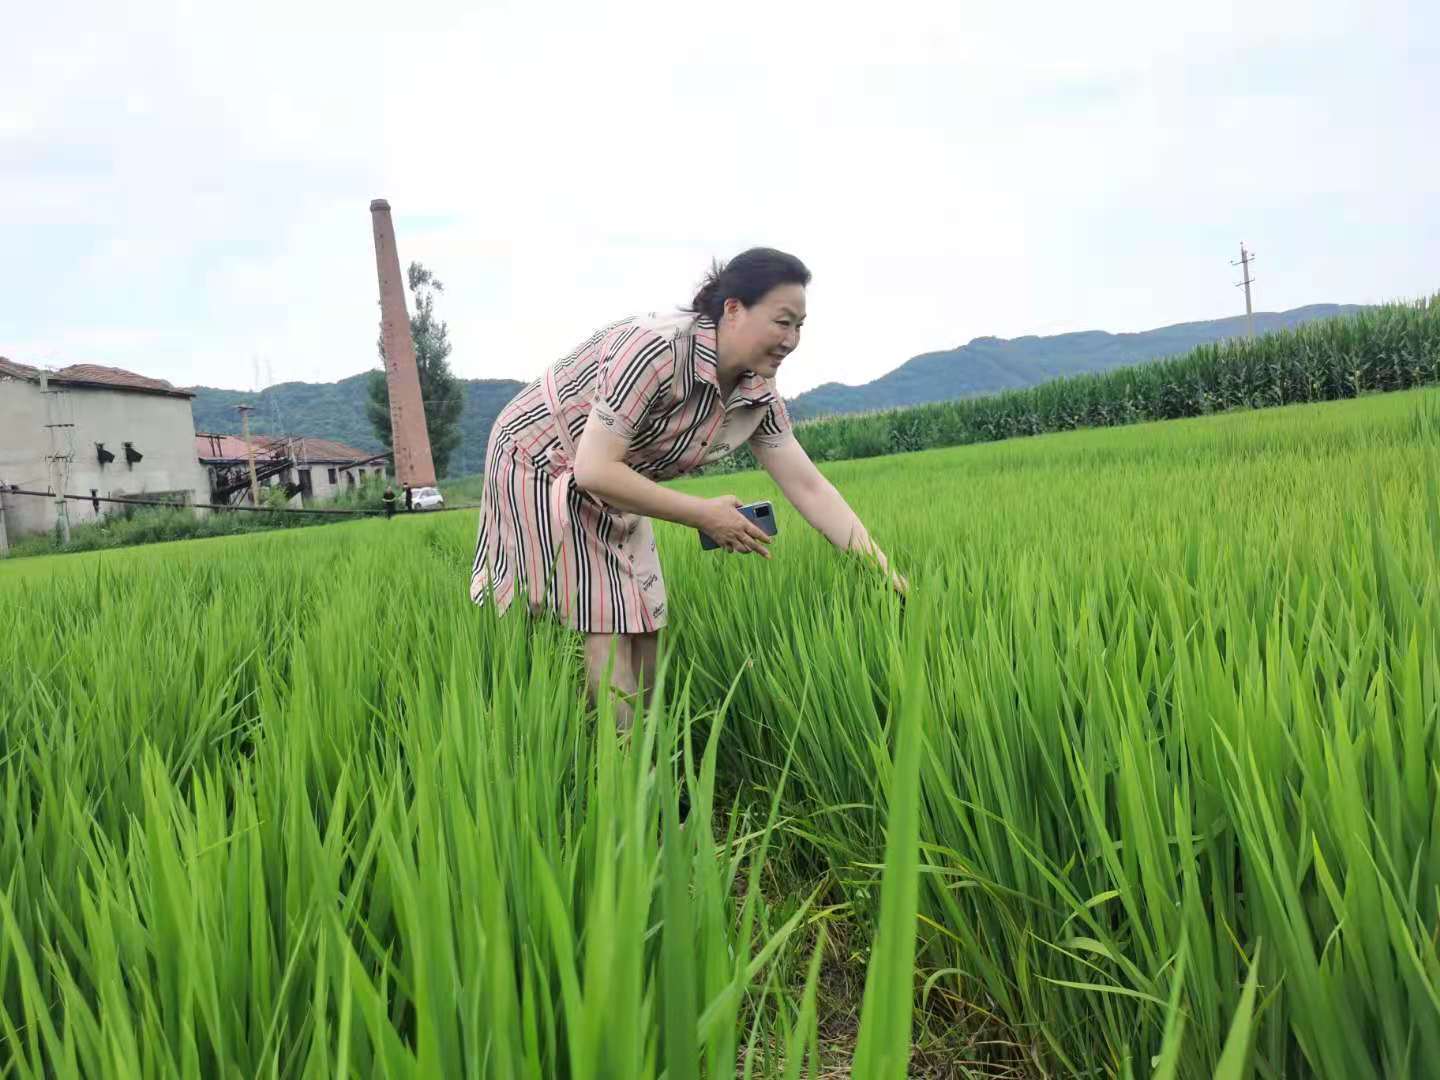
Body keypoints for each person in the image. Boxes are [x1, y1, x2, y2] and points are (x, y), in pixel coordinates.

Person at [469, 247, 907, 729]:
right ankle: (625, 771)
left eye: (801, 325)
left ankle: (651, 752)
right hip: (540, 459)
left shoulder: (754, 392)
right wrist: (703, 515)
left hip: (618, 474)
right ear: (733, 308)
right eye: (783, 321)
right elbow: (592, 470)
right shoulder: (655, 349)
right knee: (607, 621)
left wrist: (882, 569)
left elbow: (808, 486)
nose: (792, 339)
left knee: (646, 617)